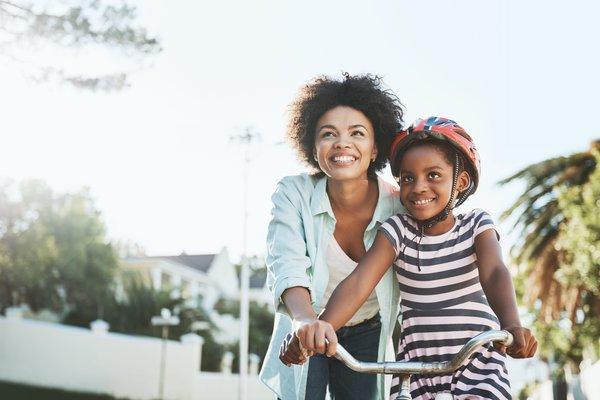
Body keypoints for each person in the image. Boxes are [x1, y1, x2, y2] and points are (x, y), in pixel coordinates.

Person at [293, 117, 538, 400]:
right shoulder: (397, 230)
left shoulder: (476, 225)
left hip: (477, 362)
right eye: (408, 178)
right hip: (416, 368)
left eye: (433, 175)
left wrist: (511, 323)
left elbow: (494, 271)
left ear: (461, 182)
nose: (419, 186)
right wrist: (320, 327)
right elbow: (360, 282)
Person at [258, 73, 405, 400]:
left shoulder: (399, 207)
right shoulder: (293, 193)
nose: (342, 143)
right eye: (328, 134)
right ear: (313, 146)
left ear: (375, 146)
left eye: (357, 133)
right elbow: (286, 261)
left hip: (368, 330)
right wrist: (303, 320)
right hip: (304, 325)